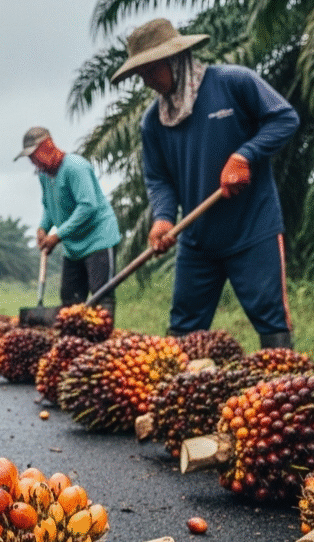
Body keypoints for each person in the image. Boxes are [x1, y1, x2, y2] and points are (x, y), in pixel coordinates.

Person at [111, 18, 300, 349]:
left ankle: (280, 387)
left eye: (152, 71)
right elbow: (159, 179)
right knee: (183, 328)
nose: (148, 82)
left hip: (252, 229)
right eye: (141, 75)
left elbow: (284, 118)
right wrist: (164, 218)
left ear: (174, 59)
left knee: (271, 319)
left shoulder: (232, 82)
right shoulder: (152, 123)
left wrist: (245, 156)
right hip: (197, 239)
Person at [14, 126, 122, 317]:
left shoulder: (75, 167)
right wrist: (43, 228)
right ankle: (75, 343)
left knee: (100, 296)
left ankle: (102, 344)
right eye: (30, 158)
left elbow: (88, 206)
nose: (33, 162)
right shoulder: (44, 175)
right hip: (73, 246)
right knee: (70, 300)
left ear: (47, 147)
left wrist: (58, 235)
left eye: (34, 155)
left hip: (98, 240)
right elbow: (49, 205)